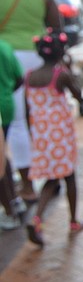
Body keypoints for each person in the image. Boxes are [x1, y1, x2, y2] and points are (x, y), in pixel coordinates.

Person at [0, 0, 62, 202]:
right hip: (38, 60)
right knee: (41, 118)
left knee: (16, 124)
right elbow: (56, 26)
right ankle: (53, 177)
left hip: (7, 59)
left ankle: (27, 185)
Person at [22, 29, 83, 246]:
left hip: (41, 136)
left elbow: (27, 110)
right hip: (61, 135)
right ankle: (73, 221)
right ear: (61, 52)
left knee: (51, 178)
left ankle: (37, 219)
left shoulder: (29, 76)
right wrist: (68, 67)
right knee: (69, 177)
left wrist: (33, 135)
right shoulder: (61, 74)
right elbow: (79, 94)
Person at [0, 38, 25, 230]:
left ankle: (10, 211)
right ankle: (14, 200)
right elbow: (19, 77)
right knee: (2, 155)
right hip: (6, 105)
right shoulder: (4, 46)